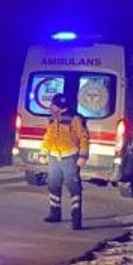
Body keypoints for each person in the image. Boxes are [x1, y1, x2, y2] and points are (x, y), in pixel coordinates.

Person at [41, 92, 89, 230]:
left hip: (70, 158)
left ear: (61, 107)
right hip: (54, 157)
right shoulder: (52, 119)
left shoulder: (75, 119)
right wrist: (44, 152)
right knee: (53, 185)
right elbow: (48, 137)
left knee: (74, 188)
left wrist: (82, 157)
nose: (50, 107)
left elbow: (84, 138)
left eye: (53, 105)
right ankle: (55, 213)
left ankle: (76, 219)